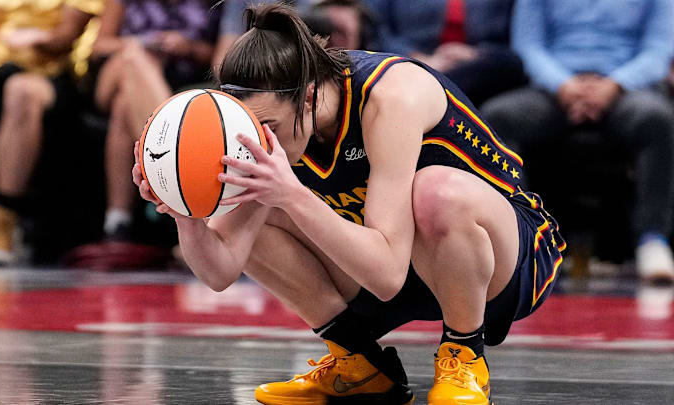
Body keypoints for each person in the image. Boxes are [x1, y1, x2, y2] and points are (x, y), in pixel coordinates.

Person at [134, 3, 564, 404]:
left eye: (269, 127)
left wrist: (292, 193)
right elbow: (220, 271)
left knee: (433, 192)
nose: (263, 144)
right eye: (251, 127)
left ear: (307, 97)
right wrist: (184, 212)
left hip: (506, 257)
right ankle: (359, 363)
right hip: (400, 256)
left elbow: (387, 277)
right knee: (266, 200)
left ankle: (465, 358)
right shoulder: (271, 133)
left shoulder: (392, 96)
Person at [481, 0, 674, 283]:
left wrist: (614, 85)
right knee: (498, 118)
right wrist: (564, 85)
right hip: (555, 87)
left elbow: (658, 50)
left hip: (625, 87)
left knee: (658, 120)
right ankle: (519, 240)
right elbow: (527, 45)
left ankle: (652, 239)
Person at [0, 0, 102, 266]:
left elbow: (67, 37)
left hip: (49, 75)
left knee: (20, 90)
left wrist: (39, 38)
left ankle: (2, 217)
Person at [92, 0, 220, 241]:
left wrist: (188, 48)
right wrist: (144, 42)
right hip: (116, 71)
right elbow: (99, 46)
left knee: (125, 106)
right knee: (134, 59)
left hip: (172, 82)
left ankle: (117, 221)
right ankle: (176, 171)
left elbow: (218, 55)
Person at [370, 0, 525, 106]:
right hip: (411, 60)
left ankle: (434, 88)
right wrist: (417, 58)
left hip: (478, 64)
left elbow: (514, 38)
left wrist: (473, 53)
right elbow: (374, 27)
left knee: (510, 64)